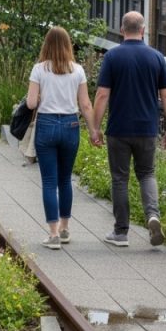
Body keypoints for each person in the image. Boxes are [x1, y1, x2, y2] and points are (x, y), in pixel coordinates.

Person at [92, 11, 166, 248]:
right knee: (147, 174)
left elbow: (102, 95)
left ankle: (121, 232)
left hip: (118, 128)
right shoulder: (156, 57)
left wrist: (95, 128)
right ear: (144, 30)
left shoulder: (112, 56)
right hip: (147, 128)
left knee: (120, 178)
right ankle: (153, 215)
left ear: (122, 30)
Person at [26, 27, 100, 249]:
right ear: (68, 45)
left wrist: (40, 96)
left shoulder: (39, 69)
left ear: (46, 45)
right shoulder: (77, 71)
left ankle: (53, 233)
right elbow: (86, 105)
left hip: (47, 125)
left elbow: (30, 103)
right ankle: (66, 228)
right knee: (65, 179)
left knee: (49, 182)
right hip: (71, 125)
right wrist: (94, 130)